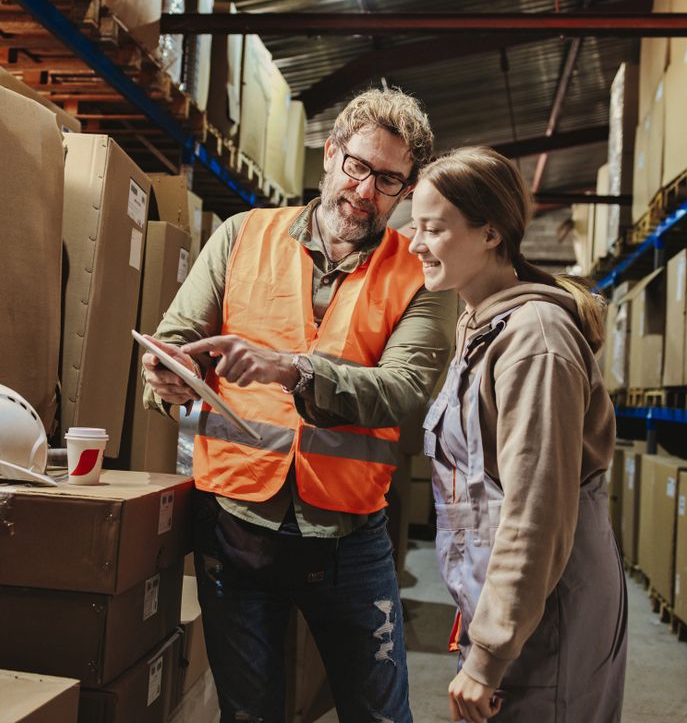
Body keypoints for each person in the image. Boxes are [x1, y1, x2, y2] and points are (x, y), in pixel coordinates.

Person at [142, 88, 457, 723]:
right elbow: (175, 342)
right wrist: (167, 377)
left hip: (349, 538)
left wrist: (296, 370)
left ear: (406, 191)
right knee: (250, 715)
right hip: (233, 526)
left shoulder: (422, 275)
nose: (366, 192)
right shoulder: (242, 236)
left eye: (389, 180)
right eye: (358, 166)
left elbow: (402, 390)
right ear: (330, 155)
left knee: (381, 717)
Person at [408, 146, 627, 723]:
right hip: (514, 605)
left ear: (489, 232)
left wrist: (489, 653)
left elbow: (536, 511)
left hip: (549, 610)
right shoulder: (480, 326)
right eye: (414, 226)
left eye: (433, 228)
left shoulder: (534, 340)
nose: (415, 244)